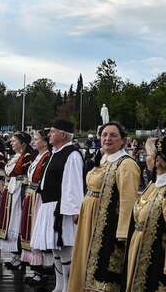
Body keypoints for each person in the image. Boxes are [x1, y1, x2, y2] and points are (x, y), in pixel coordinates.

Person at [69, 122, 140, 292]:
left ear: (123, 141)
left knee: (102, 271)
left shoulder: (126, 165)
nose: (107, 138)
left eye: (113, 135)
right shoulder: (103, 159)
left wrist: (122, 236)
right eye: (104, 135)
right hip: (90, 220)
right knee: (85, 262)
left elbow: (128, 201)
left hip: (107, 225)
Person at [31, 120, 84, 292]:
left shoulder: (72, 154)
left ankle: (68, 287)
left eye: (53, 132)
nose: (49, 135)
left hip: (62, 208)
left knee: (65, 248)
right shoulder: (56, 152)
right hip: (50, 206)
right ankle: (59, 285)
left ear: (63, 134)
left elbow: (73, 184)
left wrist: (73, 210)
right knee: (55, 250)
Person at [125, 137, 166, 291]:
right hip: (140, 249)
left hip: (156, 258)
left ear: (158, 160)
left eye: (147, 154)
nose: (145, 158)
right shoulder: (153, 185)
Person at [21, 129, 52, 286]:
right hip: (32, 195)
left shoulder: (47, 157)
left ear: (45, 142)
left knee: (37, 231)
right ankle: (37, 270)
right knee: (31, 230)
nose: (33, 141)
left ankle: (42, 271)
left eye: (36, 138)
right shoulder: (38, 156)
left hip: (39, 197)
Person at [0, 132, 32, 269]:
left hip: (19, 192)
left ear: (23, 143)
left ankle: (20, 255)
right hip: (12, 191)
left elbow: (17, 172)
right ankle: (16, 255)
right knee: (11, 221)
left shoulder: (27, 157)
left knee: (17, 222)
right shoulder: (15, 156)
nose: (11, 143)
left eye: (14, 141)